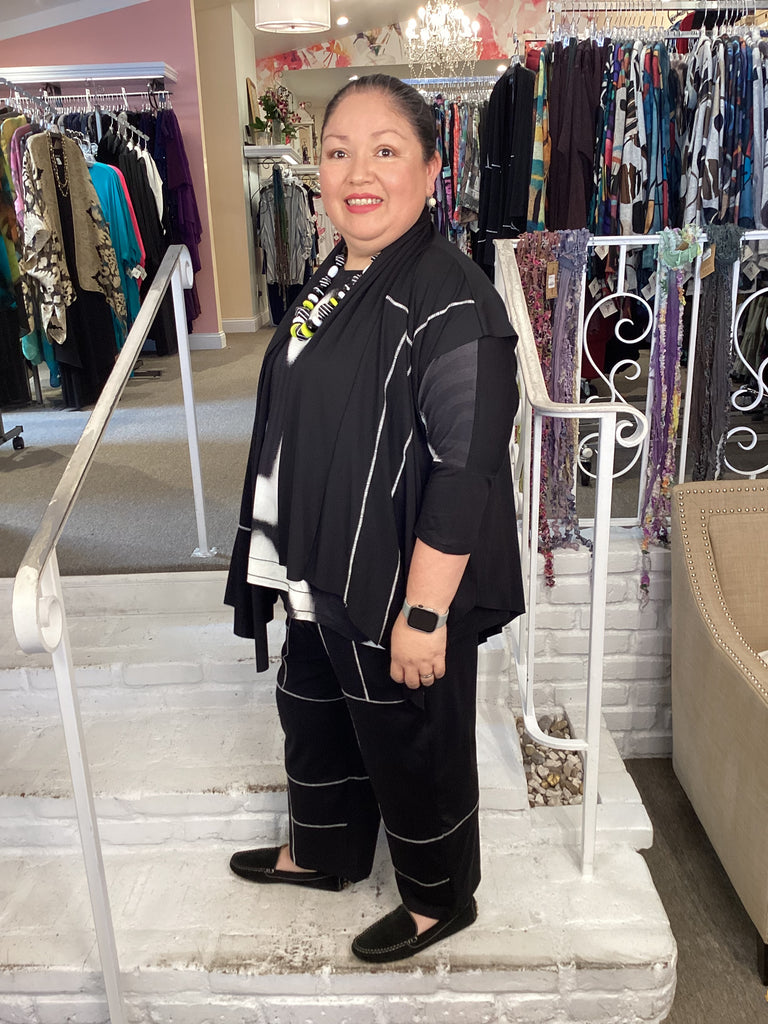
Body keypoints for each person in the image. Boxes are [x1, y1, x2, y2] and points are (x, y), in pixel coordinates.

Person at [224, 73, 524, 964]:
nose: (358, 172)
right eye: (338, 151)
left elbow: (464, 472)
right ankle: (326, 850)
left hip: (394, 571)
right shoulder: (336, 272)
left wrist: (424, 613)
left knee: (410, 735)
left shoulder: (452, 297)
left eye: (385, 150)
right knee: (312, 705)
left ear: (431, 169)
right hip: (316, 553)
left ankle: (438, 899)